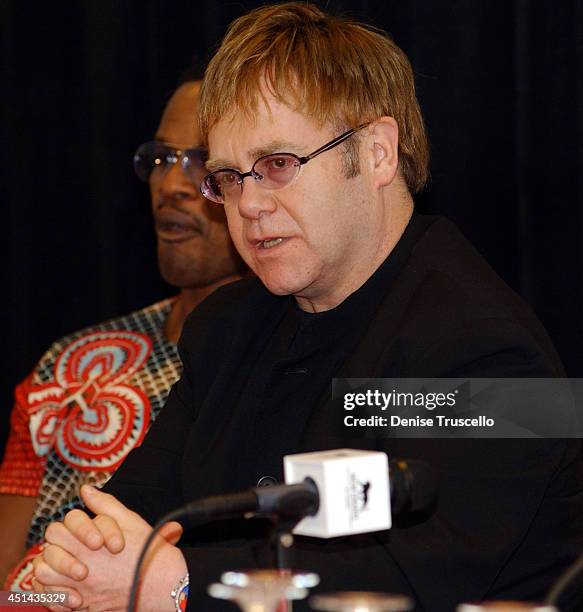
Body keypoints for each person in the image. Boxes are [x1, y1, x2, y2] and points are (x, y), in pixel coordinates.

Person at [31, 4, 583, 611]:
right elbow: (132, 507)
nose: (247, 205)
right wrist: (89, 554)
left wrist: (176, 582)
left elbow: (411, 579)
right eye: (230, 177)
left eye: (276, 166)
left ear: (376, 153)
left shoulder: (495, 350)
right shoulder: (228, 327)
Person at [0, 78, 245, 591]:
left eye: (200, 161)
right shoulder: (70, 363)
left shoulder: (279, 367)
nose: (171, 185)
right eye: (160, 159)